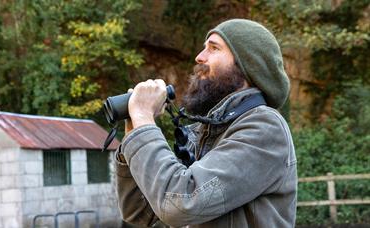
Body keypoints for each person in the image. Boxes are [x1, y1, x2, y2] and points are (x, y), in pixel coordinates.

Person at [115, 19, 297, 228]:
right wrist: (134, 132)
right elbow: (139, 213)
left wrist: (144, 120)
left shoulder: (265, 128)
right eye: (204, 48)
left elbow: (180, 204)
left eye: (214, 48)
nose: (199, 57)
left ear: (247, 66)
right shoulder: (207, 130)